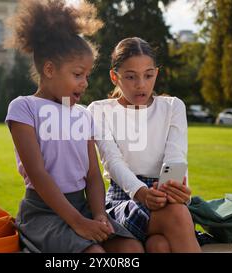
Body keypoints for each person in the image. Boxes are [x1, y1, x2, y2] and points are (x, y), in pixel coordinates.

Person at [4, 0, 143, 253]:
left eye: (87, 76)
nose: (85, 83)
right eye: (78, 74)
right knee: (94, 254)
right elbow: (38, 174)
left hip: (83, 207)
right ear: (49, 69)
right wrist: (78, 223)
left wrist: (99, 215)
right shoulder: (23, 108)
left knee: (131, 249)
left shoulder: (83, 115)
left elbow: (92, 175)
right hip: (43, 212)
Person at [87, 37, 202, 253]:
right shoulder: (99, 110)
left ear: (156, 74)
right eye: (131, 77)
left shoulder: (173, 107)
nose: (141, 84)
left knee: (159, 246)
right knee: (176, 215)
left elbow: (176, 157)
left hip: (163, 194)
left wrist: (174, 189)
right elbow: (112, 162)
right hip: (123, 198)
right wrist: (142, 193)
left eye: (148, 75)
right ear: (114, 77)